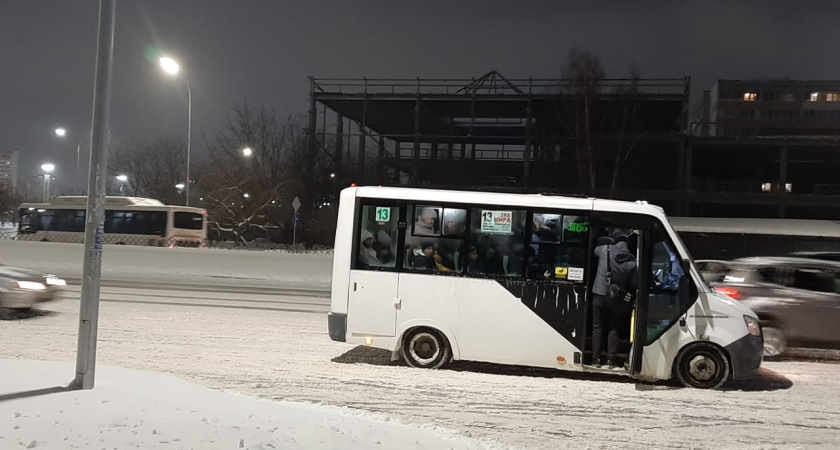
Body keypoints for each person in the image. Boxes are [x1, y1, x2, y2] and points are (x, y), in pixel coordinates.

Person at [591, 231, 638, 368]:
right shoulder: (632, 261)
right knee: (614, 328)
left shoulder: (605, 251)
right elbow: (634, 283)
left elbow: (594, 250)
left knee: (597, 327)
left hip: (599, 294)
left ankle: (596, 359)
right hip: (616, 298)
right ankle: (611, 359)